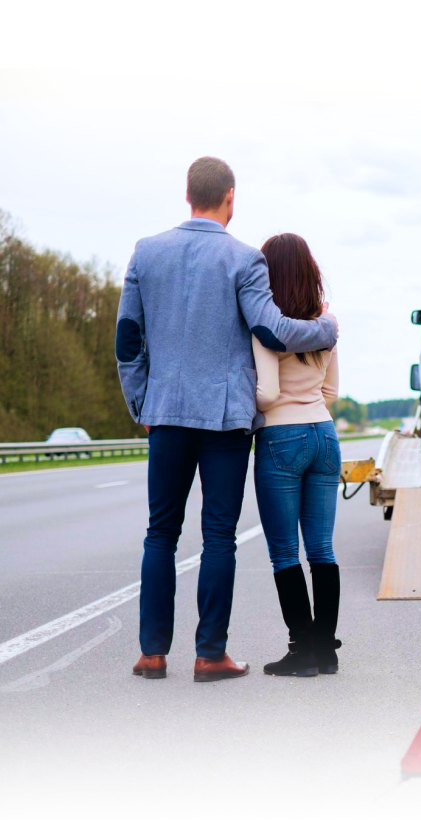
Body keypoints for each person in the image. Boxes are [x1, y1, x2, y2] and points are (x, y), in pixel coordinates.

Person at [117, 157, 338, 683]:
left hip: (165, 413)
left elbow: (129, 340)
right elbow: (273, 330)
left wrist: (141, 406)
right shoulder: (244, 260)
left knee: (159, 535)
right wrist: (327, 332)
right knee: (218, 537)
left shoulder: (146, 253)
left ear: (187, 193)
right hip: (225, 422)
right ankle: (210, 654)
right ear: (230, 196)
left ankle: (152, 653)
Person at [251, 233, 342, 677]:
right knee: (322, 548)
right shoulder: (326, 323)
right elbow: (332, 391)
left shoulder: (266, 327)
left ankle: (300, 651)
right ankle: (326, 651)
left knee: (285, 552)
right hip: (324, 434)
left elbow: (266, 394)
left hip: (280, 436)